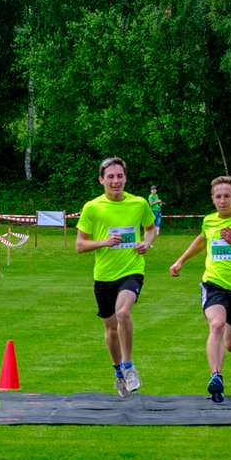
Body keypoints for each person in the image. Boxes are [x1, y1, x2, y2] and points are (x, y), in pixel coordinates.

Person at [169, 175, 231, 403]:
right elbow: (202, 240)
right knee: (217, 324)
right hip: (214, 284)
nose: (222, 201)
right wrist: (181, 261)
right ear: (212, 199)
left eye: (227, 196)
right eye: (218, 196)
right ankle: (216, 377)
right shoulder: (209, 221)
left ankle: (218, 366)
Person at [76, 156, 158, 396]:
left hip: (132, 270)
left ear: (126, 178)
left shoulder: (139, 203)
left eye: (119, 176)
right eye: (110, 176)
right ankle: (118, 372)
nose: (115, 181)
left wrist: (147, 243)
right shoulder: (92, 207)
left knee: (123, 312)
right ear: (101, 180)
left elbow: (151, 229)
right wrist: (104, 242)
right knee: (111, 329)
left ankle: (129, 366)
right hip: (104, 276)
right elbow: (80, 245)